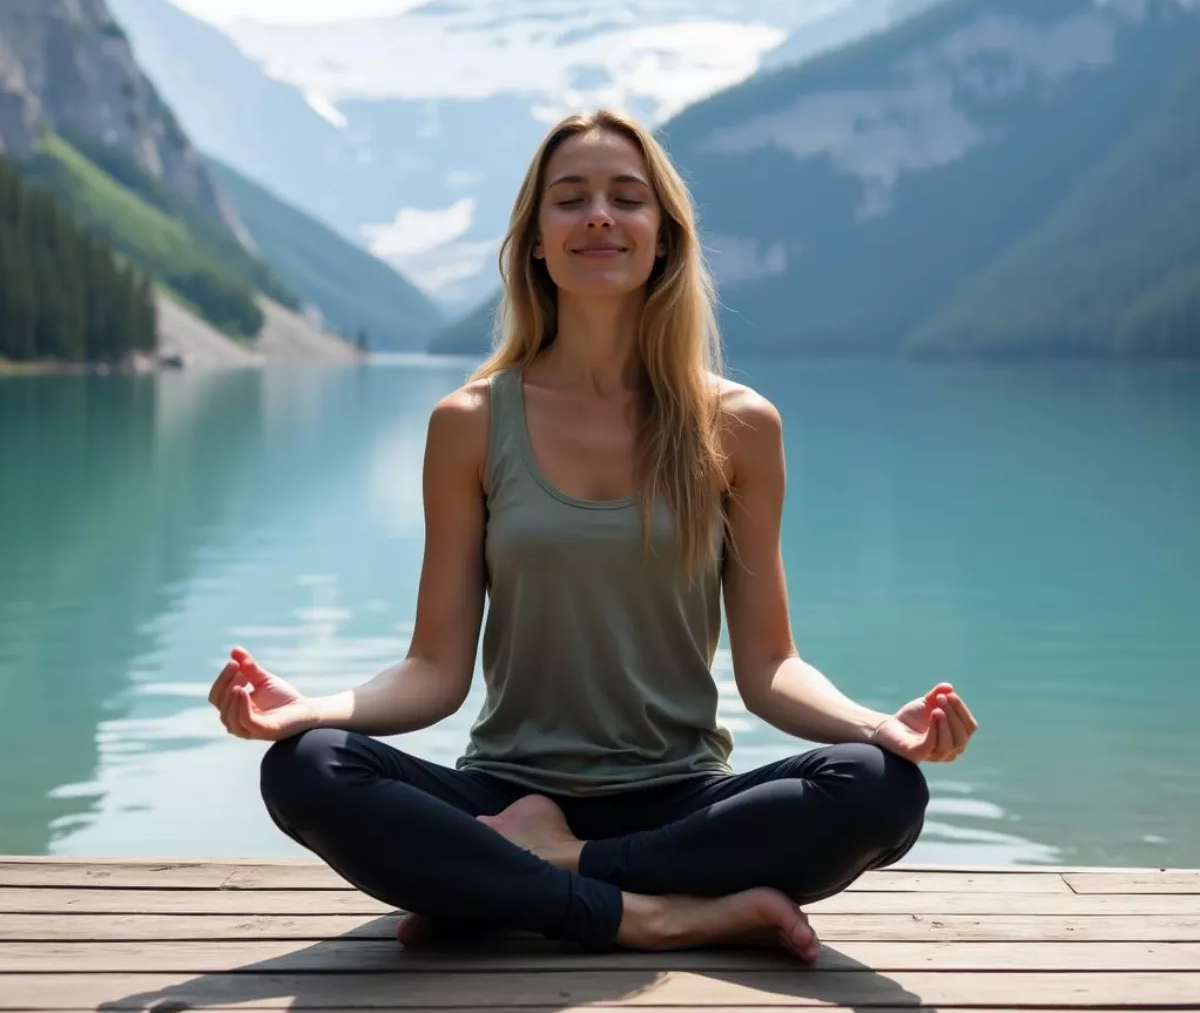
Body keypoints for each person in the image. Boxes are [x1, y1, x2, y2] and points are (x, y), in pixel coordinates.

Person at [207, 109, 978, 964]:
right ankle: (658, 915)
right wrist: (312, 709)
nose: (599, 216)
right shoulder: (469, 423)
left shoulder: (741, 425)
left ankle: (521, 885)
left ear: (664, 238)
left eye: (626, 198)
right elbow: (434, 673)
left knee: (879, 790)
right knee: (305, 769)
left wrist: (879, 727)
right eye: (569, 199)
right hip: (506, 795)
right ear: (537, 241)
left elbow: (770, 671)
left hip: (679, 799)